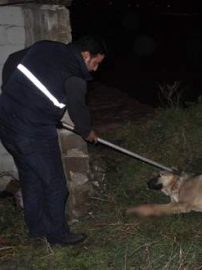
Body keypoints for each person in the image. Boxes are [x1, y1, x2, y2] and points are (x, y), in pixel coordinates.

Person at [0, 36, 106, 245]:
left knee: (32, 179)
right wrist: (87, 132)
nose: (94, 69)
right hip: (33, 134)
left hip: (5, 124)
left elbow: (13, 59)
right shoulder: (75, 76)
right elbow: (78, 110)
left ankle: (37, 228)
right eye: (96, 63)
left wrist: (14, 94)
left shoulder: (46, 47)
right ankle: (58, 234)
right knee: (56, 185)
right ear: (86, 55)